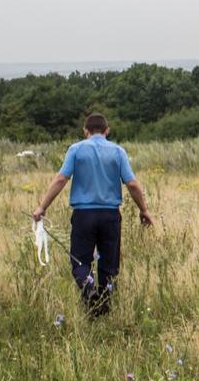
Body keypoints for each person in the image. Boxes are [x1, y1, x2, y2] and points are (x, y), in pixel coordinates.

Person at [31, 111, 153, 316]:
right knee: (109, 263)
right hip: (110, 216)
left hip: (83, 216)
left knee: (80, 261)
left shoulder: (76, 149)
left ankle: (88, 294)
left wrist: (42, 207)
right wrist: (144, 210)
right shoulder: (118, 151)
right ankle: (103, 308)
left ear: (85, 131)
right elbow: (131, 183)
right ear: (107, 131)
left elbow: (61, 179)